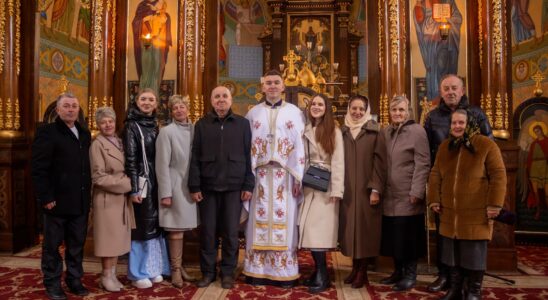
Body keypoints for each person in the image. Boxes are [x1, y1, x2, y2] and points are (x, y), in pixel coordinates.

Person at [424, 74, 493, 292]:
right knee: (444, 233)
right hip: (444, 184)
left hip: (472, 187)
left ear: (462, 90)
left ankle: (469, 281)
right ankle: (445, 275)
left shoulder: (477, 114)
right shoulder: (432, 117)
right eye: (446, 88)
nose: (450, 92)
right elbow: (427, 151)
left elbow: (489, 147)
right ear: (441, 92)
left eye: (455, 88)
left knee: (469, 235)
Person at [428, 109, 506, 300]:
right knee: (451, 253)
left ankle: (473, 291)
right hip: (449, 212)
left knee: (474, 254)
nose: (457, 126)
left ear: (470, 124)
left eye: (461, 123)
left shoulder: (486, 145)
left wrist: (495, 204)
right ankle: (455, 289)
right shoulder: (446, 146)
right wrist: (434, 199)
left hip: (476, 211)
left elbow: (498, 175)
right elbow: (435, 174)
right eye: (454, 123)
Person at [243, 70, 306, 287]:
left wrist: (298, 177)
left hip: (285, 177)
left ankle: (283, 272)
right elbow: (245, 146)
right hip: (259, 176)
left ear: (283, 87)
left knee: (285, 223)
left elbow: (300, 146)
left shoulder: (295, 113)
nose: (272, 86)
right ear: (262, 87)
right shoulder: (252, 113)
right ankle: (256, 271)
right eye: (268, 83)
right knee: (256, 223)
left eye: (276, 83)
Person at [189, 86, 254, 289]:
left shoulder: (243, 124)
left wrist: (248, 184)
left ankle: (228, 273)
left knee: (230, 233)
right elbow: (195, 158)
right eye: (216, 96)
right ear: (211, 100)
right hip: (208, 188)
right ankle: (208, 272)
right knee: (208, 233)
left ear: (231, 99)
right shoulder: (202, 125)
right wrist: (194, 185)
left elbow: (249, 156)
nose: (221, 100)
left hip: (234, 188)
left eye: (224, 96)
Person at [31, 93, 91, 300]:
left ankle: (74, 280)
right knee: (52, 247)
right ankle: (52, 284)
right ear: (58, 110)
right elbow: (39, 168)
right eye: (66, 106)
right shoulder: (47, 132)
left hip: (80, 201)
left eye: (74, 106)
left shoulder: (84, 133)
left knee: (76, 246)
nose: (71, 109)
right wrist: (46, 197)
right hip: (55, 202)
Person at [379, 96, 430, 291]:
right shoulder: (387, 132)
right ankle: (397, 271)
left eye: (401, 110)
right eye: (394, 110)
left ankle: (410, 274)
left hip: (409, 194)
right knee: (394, 234)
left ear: (408, 111)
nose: (398, 113)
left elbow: (423, 163)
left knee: (408, 236)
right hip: (390, 196)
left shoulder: (417, 131)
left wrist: (417, 191)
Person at [123, 88, 170, 289]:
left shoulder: (157, 126)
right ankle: (137, 272)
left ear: (157, 104)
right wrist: (134, 189)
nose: (147, 102)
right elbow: (131, 160)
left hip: (156, 180)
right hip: (142, 180)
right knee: (141, 227)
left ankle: (153, 268)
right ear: (136, 101)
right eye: (143, 99)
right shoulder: (131, 126)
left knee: (155, 226)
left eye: (151, 99)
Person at [298, 94, 344, 293]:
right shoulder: (305, 129)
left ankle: (322, 274)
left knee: (320, 233)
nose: (316, 107)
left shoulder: (334, 130)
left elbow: (338, 161)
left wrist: (337, 189)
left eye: (320, 104)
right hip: (309, 184)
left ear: (327, 108)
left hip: (326, 187)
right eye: (313, 104)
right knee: (309, 230)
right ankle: (318, 271)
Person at [339, 95, 386, 289]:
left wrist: (375, 188)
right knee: (351, 230)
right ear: (348, 109)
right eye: (354, 108)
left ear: (366, 111)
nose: (357, 112)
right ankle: (355, 267)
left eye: (361, 109)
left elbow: (380, 162)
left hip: (367, 190)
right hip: (348, 189)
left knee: (365, 231)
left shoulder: (375, 131)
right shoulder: (341, 132)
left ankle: (363, 272)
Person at [155, 95, 199, 288]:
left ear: (187, 109)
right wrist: (165, 193)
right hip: (174, 186)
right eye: (175, 108)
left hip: (191, 185)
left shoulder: (196, 129)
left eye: (182, 107)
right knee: (175, 230)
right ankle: (174, 271)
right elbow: (161, 165)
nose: (179, 110)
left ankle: (180, 266)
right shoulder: (166, 132)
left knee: (186, 228)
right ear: (171, 112)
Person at [90, 107, 133, 292]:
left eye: (110, 121)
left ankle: (113, 274)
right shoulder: (97, 145)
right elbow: (98, 177)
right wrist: (127, 184)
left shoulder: (119, 141)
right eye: (103, 122)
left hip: (120, 199)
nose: (107, 124)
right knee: (108, 240)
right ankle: (106, 275)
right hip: (107, 198)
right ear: (98, 124)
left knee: (116, 240)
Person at [526, 124, 548, 220]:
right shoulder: (533, 144)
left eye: (538, 131)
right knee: (536, 192)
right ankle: (538, 210)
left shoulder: (547, 142)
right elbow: (530, 157)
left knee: (547, 192)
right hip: (535, 167)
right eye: (535, 132)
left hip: (545, 166)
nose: (536, 133)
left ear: (542, 131)